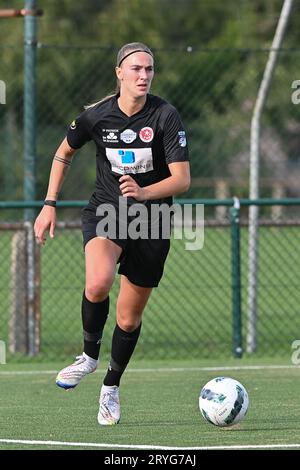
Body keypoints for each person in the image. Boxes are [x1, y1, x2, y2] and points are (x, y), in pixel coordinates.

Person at [34, 42, 190, 426]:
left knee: (128, 318)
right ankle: (88, 356)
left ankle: (111, 387)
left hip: (152, 222)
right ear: (119, 72)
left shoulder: (166, 115)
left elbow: (182, 180)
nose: (143, 76)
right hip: (107, 212)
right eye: (136, 68)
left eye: (149, 70)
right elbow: (63, 153)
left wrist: (144, 192)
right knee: (99, 282)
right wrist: (49, 203)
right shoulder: (96, 116)